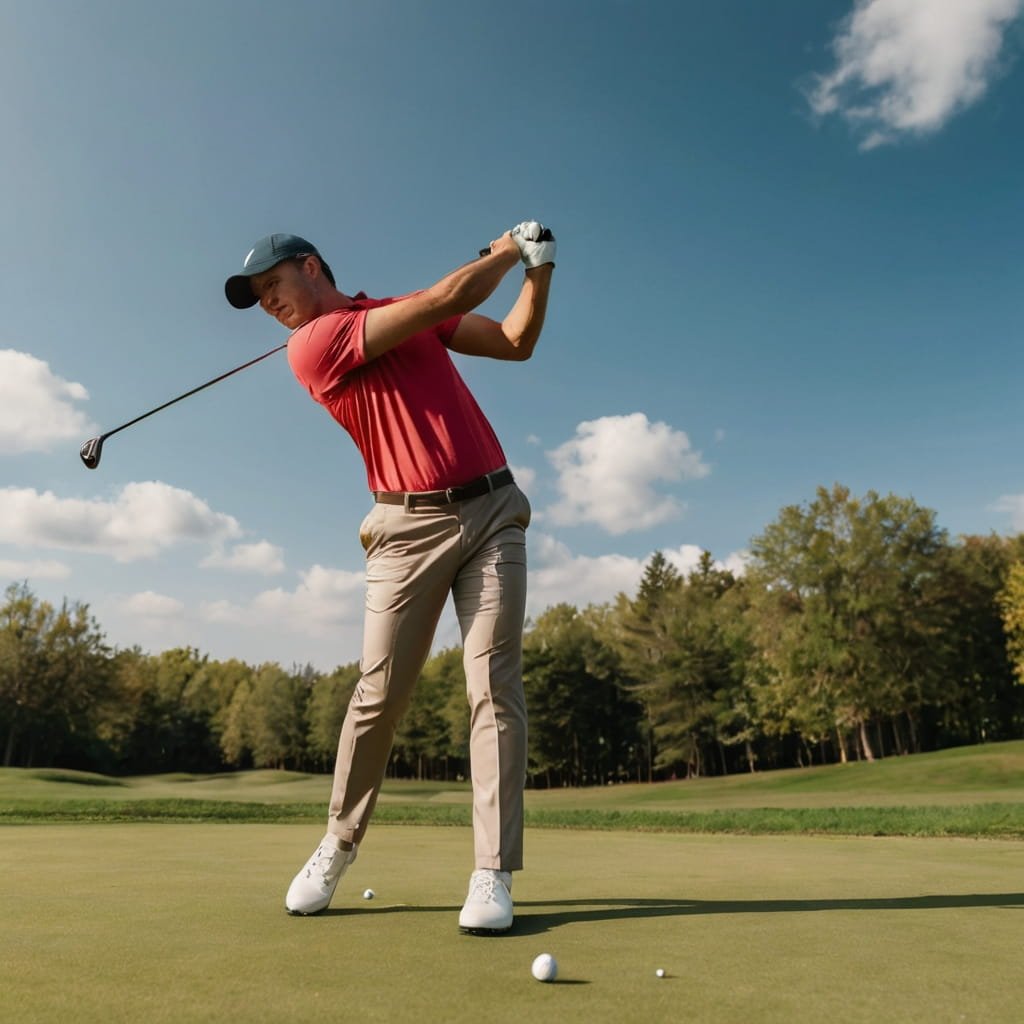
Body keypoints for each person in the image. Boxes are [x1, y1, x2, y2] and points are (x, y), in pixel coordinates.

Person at [223, 221, 555, 933]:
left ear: (309, 267)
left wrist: (539, 269)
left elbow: (516, 343)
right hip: (407, 532)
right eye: (257, 299)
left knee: (494, 686)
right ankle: (337, 844)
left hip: (495, 511)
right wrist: (504, 250)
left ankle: (491, 873)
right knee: (379, 693)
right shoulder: (310, 345)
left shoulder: (407, 312)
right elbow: (440, 300)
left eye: (271, 287)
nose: (268, 304)